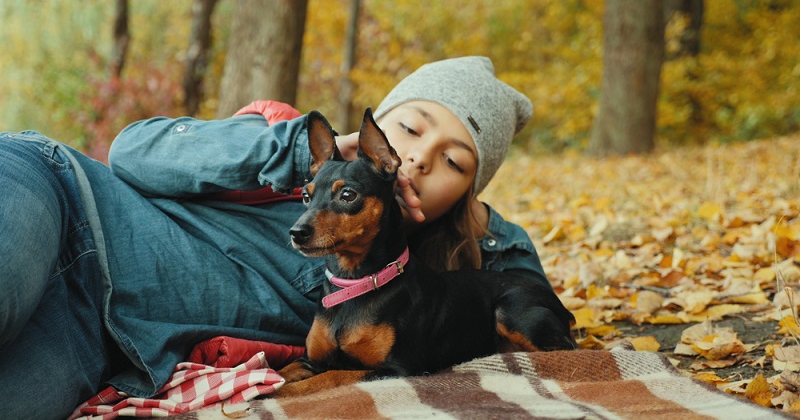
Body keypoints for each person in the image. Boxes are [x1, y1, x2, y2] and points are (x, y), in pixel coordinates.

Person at [0, 56, 552, 419]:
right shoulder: (284, 143)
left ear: (465, 194)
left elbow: (520, 292)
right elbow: (133, 150)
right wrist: (297, 155)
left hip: (102, 341)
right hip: (61, 205)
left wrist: (474, 222)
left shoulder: (410, 281)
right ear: (377, 125)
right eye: (409, 128)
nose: (417, 158)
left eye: (452, 162)